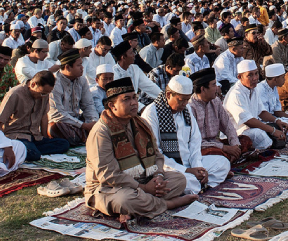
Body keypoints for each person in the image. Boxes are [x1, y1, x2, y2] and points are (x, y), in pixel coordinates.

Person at [84, 76, 195, 222]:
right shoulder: (101, 132)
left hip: (144, 180)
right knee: (125, 200)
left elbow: (157, 155)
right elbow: (108, 175)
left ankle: (140, 207)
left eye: (134, 98)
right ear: (112, 106)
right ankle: (168, 204)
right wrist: (144, 188)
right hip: (110, 188)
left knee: (179, 179)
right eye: (126, 99)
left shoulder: (141, 123)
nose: (134, 103)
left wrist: (158, 177)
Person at [141, 75, 229, 194]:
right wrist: (187, 170)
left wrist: (198, 168)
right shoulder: (151, 113)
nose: (185, 103)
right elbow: (156, 153)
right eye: (181, 100)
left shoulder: (186, 109)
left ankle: (201, 184)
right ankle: (200, 186)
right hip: (168, 168)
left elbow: (195, 140)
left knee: (222, 163)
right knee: (188, 182)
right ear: (168, 95)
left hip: (189, 163)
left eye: (187, 99)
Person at [0, 71, 70, 161]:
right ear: (33, 84)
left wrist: (44, 137)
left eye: (47, 93)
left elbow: (44, 116)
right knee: (33, 154)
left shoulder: (45, 94)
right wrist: (4, 144)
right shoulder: (15, 94)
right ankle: (25, 150)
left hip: (35, 136)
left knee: (64, 144)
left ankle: (28, 150)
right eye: (42, 93)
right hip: (17, 137)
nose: (44, 96)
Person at [223, 59, 287, 149]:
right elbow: (248, 121)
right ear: (239, 77)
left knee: (280, 126)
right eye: (250, 75)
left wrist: (277, 121)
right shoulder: (236, 94)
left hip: (252, 127)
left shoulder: (253, 88)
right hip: (238, 131)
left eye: (256, 73)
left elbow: (261, 112)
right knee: (260, 135)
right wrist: (272, 130)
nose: (255, 78)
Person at [188, 68, 248, 163]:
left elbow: (228, 125)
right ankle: (228, 158)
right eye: (214, 85)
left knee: (246, 140)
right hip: (202, 147)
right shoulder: (190, 107)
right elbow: (195, 142)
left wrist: (235, 145)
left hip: (216, 143)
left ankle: (230, 157)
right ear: (203, 89)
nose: (217, 88)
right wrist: (225, 148)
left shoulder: (216, 101)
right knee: (214, 153)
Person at [48, 49, 99, 146]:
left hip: (77, 121)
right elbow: (57, 114)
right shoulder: (54, 82)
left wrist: (93, 122)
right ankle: (85, 137)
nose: (82, 68)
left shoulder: (82, 80)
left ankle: (84, 136)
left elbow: (88, 105)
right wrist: (84, 126)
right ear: (67, 67)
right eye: (79, 65)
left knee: (102, 119)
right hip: (63, 122)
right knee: (55, 127)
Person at [111, 40, 162, 108]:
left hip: (135, 104)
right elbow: (123, 97)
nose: (134, 55)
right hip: (123, 107)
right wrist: (142, 108)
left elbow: (149, 86)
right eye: (131, 53)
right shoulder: (114, 73)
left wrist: (164, 98)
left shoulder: (135, 68)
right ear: (123, 57)